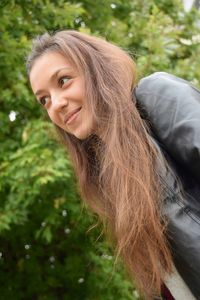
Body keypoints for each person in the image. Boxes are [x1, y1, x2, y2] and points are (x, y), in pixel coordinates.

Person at [26, 30, 200, 300]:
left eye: (64, 80)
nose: (56, 104)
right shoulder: (108, 174)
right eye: (44, 100)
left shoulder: (154, 96)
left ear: (96, 70)